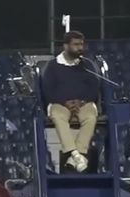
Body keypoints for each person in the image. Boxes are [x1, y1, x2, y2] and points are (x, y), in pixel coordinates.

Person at [42, 31, 100, 172]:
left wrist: (82, 101)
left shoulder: (87, 65)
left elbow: (94, 88)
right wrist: (65, 102)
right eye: (76, 44)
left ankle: (76, 154)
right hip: (60, 104)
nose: (80, 48)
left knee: (91, 116)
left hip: (83, 103)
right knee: (58, 116)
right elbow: (47, 90)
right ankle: (75, 154)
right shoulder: (53, 66)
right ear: (66, 46)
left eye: (81, 44)